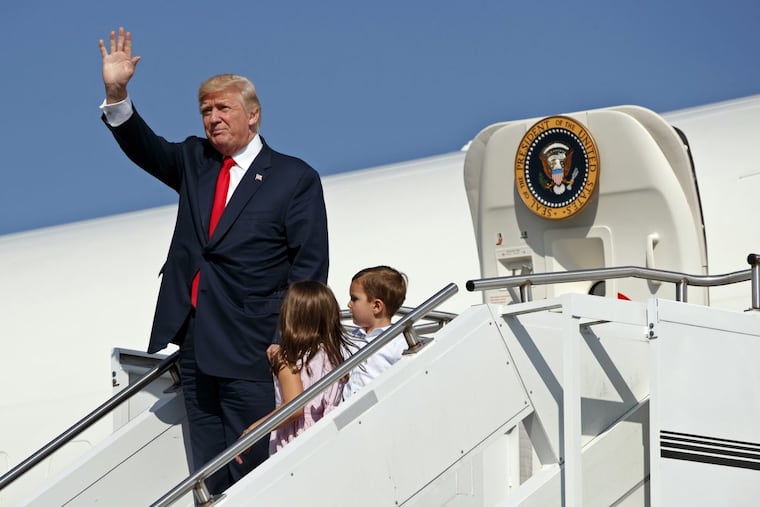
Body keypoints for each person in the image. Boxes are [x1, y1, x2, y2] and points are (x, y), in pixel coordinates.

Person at [98, 28, 329, 494]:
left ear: (254, 114)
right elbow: (144, 147)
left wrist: (285, 343)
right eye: (206, 111)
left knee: (260, 464)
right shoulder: (195, 161)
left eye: (223, 108)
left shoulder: (293, 177)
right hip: (197, 342)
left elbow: (309, 267)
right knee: (209, 471)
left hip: (256, 346)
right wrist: (117, 93)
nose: (213, 118)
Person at [236, 280, 351, 463]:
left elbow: (294, 408)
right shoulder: (333, 353)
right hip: (329, 433)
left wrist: (252, 431)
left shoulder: (288, 358)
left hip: (297, 440)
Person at [342, 266, 408, 400]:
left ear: (377, 306)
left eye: (354, 299)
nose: (349, 304)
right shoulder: (350, 338)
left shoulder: (398, 344)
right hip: (344, 414)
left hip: (378, 414)